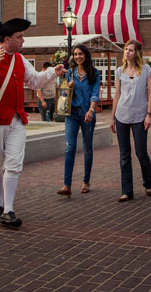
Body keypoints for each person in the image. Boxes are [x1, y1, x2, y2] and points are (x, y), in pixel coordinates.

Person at [0, 18, 65, 228]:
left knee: (14, 164)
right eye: (19, 36)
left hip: (16, 119)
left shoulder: (20, 59)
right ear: (6, 39)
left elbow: (34, 80)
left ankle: (9, 210)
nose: (23, 40)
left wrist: (52, 73)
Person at [109, 40, 151, 202]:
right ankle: (127, 191)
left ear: (136, 53)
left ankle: (148, 183)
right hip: (121, 115)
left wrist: (149, 114)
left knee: (141, 152)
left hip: (139, 116)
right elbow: (117, 95)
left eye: (130, 50)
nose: (127, 52)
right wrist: (112, 117)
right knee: (124, 155)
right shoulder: (119, 71)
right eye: (126, 49)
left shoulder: (146, 70)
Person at [57, 44, 100, 198]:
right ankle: (67, 185)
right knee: (70, 148)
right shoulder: (70, 72)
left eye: (80, 54)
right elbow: (63, 94)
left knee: (87, 148)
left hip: (88, 114)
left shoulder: (94, 73)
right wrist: (67, 87)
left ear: (85, 55)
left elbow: (95, 94)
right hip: (72, 114)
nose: (77, 57)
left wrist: (91, 110)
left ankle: (86, 181)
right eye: (75, 54)